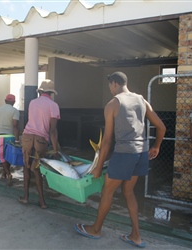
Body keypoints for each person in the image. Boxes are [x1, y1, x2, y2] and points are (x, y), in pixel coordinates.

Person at [74, 72, 166, 247]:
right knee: (129, 192)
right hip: (141, 152)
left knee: (107, 192)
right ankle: (135, 236)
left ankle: (95, 229)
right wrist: (156, 146)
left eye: (110, 85)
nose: (110, 89)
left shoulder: (113, 104)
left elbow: (107, 141)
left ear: (114, 84)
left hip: (124, 153)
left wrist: (98, 167)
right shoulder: (141, 100)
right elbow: (161, 127)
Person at [19, 79, 60, 209]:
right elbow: (52, 131)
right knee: (36, 169)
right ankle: (42, 202)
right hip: (41, 139)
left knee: (26, 166)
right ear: (51, 93)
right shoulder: (53, 105)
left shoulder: (32, 102)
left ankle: (25, 197)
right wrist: (55, 150)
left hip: (27, 136)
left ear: (41, 91)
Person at [0, 94, 20, 185]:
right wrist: (17, 139)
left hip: (0, 136)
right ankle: (5, 173)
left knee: (1, 155)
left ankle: (8, 173)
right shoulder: (15, 111)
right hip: (11, 136)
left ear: (5, 101)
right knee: (8, 155)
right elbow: (15, 125)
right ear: (14, 102)